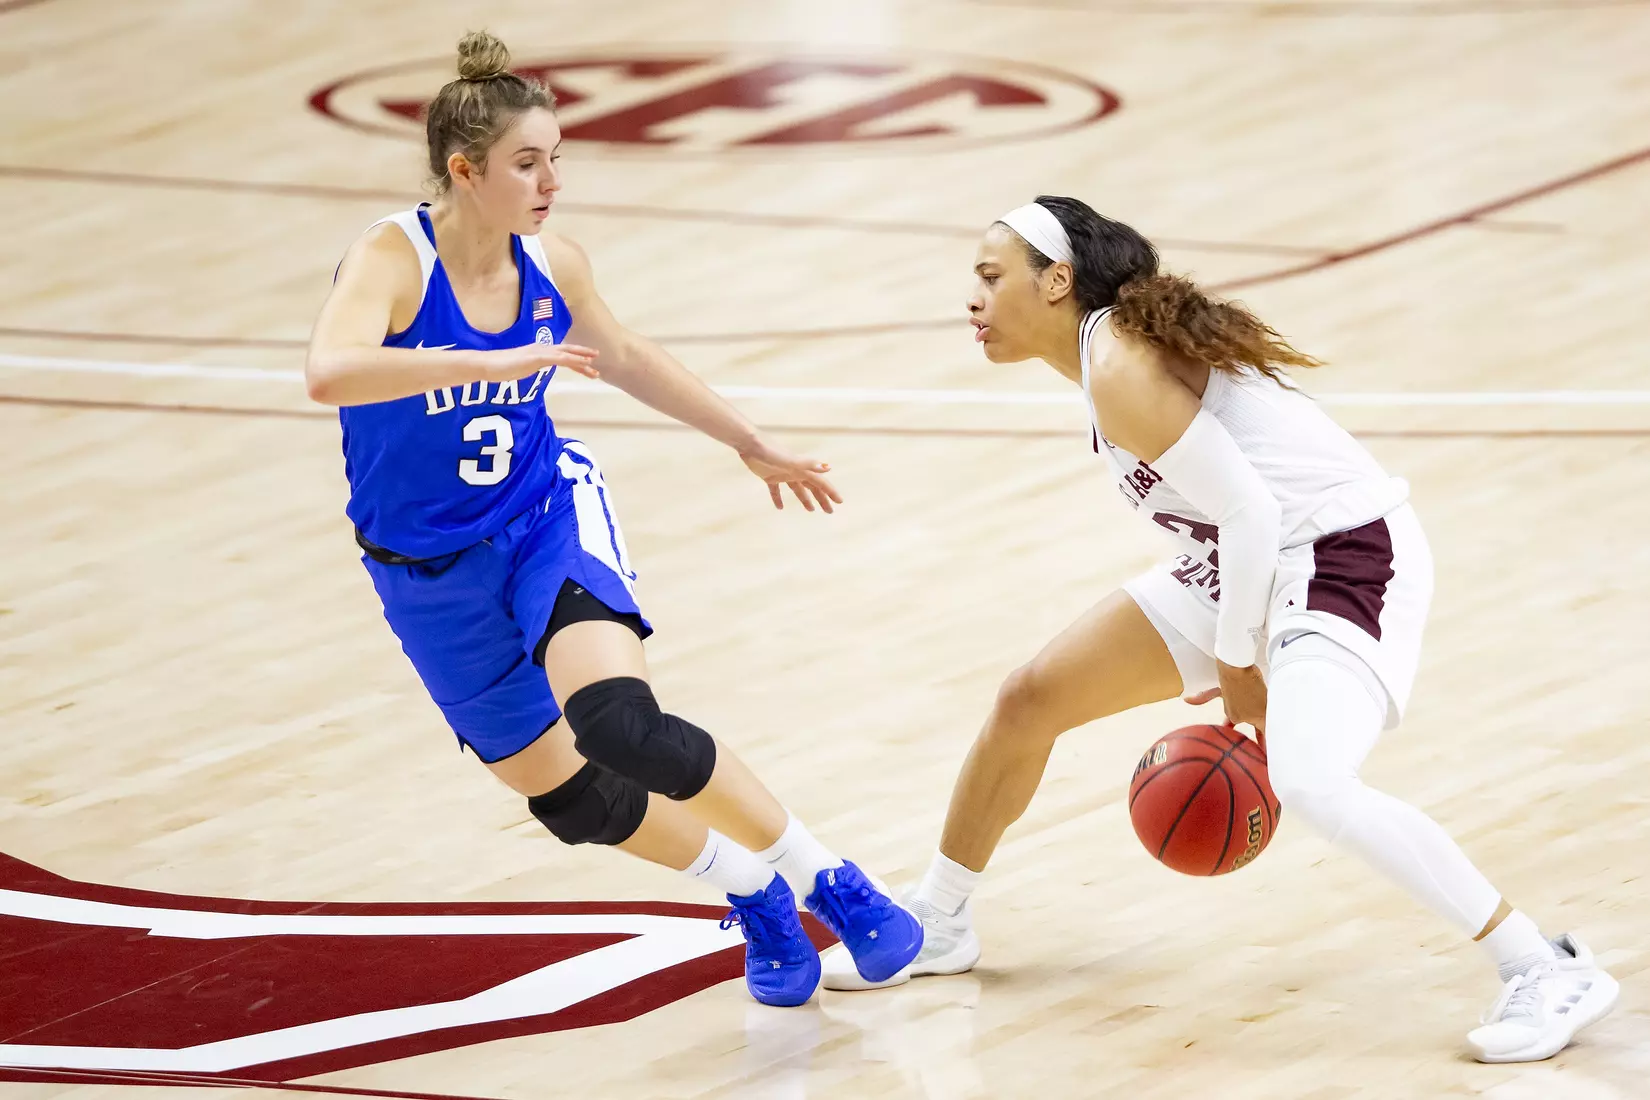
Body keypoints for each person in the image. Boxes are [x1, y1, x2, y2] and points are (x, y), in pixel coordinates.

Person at [822, 195, 1617, 1063]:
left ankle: (1542, 967)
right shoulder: (1104, 357)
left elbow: (1250, 510)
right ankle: (939, 919)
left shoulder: (1117, 363)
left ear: (1056, 281)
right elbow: (1234, 525)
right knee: (1032, 697)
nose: (971, 300)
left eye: (988, 277)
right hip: (1247, 561)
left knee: (1311, 779)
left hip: (1340, 553)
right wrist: (1237, 631)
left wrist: (1239, 659)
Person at [303, 30, 921, 1008]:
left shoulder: (553, 264)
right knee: (573, 801)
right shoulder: (393, 259)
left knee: (619, 724)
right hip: (424, 571)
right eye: (528, 162)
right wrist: (484, 363)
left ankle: (830, 878)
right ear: (465, 171)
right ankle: (747, 887)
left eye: (558, 157)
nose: (552, 179)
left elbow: (625, 354)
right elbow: (327, 372)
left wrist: (745, 438)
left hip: (544, 518)